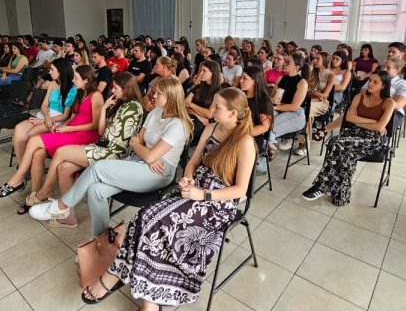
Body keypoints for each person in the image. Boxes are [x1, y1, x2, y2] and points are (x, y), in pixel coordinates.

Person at [69, 87, 254, 309]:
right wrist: (187, 178)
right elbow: (193, 163)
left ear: (234, 113)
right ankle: (119, 277)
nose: (211, 110)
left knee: (159, 227)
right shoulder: (212, 128)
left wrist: (202, 195)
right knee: (144, 218)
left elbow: (240, 190)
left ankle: (146, 298)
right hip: (193, 191)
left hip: (217, 204)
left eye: (217, 107)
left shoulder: (244, 142)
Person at [27, 78, 192, 237]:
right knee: (95, 191)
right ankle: (100, 239)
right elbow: (137, 142)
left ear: (170, 97)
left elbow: (142, 148)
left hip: (159, 171)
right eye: (155, 92)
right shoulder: (155, 112)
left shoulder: (177, 124)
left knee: (98, 168)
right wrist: (145, 151)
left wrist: (145, 151)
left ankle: (61, 205)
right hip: (140, 160)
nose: (153, 96)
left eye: (159, 93)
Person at [18, 72, 146, 221]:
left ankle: (45, 191)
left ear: (126, 88)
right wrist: (104, 108)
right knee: (63, 168)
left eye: (116, 87)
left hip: (114, 153)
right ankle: (69, 217)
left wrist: (106, 131)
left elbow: (110, 137)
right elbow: (101, 132)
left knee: (60, 152)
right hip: (105, 147)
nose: (112, 91)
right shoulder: (119, 104)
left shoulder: (133, 106)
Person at [0, 65, 104, 198]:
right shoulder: (80, 92)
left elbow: (95, 125)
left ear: (86, 80)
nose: (73, 80)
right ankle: (35, 195)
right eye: (73, 77)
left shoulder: (96, 96)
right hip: (70, 131)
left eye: (76, 78)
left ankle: (17, 179)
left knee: (33, 140)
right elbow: (73, 117)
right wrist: (61, 128)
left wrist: (67, 128)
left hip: (84, 135)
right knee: (38, 154)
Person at [302, 71, 395, 206]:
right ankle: (341, 196)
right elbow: (349, 118)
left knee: (338, 145)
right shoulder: (359, 97)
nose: (371, 84)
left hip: (372, 139)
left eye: (376, 82)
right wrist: (370, 121)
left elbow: (380, 126)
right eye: (370, 80)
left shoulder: (389, 102)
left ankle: (321, 186)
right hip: (351, 133)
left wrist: (359, 121)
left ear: (383, 86)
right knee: (346, 154)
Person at [11, 58, 77, 163]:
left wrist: (44, 121)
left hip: (57, 120)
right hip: (46, 115)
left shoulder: (72, 89)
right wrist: (45, 117)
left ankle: (26, 166)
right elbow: (44, 105)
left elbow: (65, 116)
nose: (49, 72)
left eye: (52, 70)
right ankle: (22, 168)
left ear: (61, 71)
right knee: (18, 130)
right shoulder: (52, 84)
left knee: (28, 134)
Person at [269, 52, 309, 157]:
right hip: (280, 110)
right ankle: (270, 146)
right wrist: (272, 101)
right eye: (285, 62)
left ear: (296, 67)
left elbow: (294, 106)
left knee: (268, 127)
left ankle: (271, 147)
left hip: (295, 114)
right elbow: (271, 98)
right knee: (261, 122)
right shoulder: (281, 79)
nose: (284, 64)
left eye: (288, 62)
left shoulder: (302, 83)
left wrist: (275, 106)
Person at [239, 67, 273, 171]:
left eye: (245, 78)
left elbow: (265, 127)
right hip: (238, 134)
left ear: (255, 81)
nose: (240, 80)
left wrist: (242, 133)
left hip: (252, 138)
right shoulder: (240, 96)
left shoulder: (263, 101)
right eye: (241, 77)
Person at [186, 60, 222, 143]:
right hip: (193, 117)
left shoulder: (218, 92)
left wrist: (191, 105)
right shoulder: (198, 87)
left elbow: (209, 114)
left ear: (213, 73)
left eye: (204, 71)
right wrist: (199, 116)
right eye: (200, 70)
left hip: (203, 124)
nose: (200, 73)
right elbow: (184, 104)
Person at [308, 51, 335, 138]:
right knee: (303, 110)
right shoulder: (311, 72)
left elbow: (324, 95)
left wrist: (312, 94)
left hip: (322, 103)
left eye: (317, 58)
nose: (314, 60)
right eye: (314, 58)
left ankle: (303, 142)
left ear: (324, 60)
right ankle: (302, 138)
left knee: (307, 110)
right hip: (309, 100)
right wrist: (315, 93)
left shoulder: (330, 75)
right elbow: (305, 90)